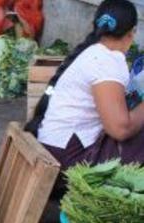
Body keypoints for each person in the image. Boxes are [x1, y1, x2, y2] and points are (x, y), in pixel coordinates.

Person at [25, 0, 143, 186]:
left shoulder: (94, 52)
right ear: (132, 32)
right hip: (67, 160)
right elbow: (120, 129)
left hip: (58, 149)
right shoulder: (106, 61)